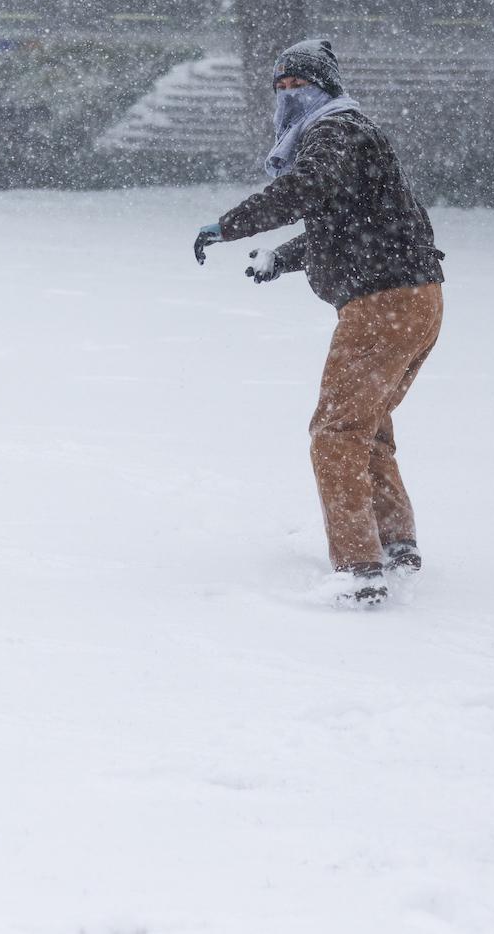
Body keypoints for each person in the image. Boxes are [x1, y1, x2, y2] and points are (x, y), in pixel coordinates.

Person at [193, 39, 445, 606]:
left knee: (334, 432)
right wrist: (281, 257)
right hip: (418, 300)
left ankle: (360, 572)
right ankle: (397, 546)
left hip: (382, 305)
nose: (288, 96)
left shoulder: (334, 133)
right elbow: (349, 223)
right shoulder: (356, 135)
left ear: (325, 88)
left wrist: (231, 225)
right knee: (367, 427)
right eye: (280, 87)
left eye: (298, 86)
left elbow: (306, 188)